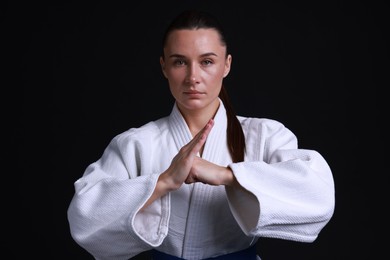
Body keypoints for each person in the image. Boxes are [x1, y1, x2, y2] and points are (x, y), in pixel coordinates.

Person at [67, 9, 335, 260]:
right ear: (163, 67)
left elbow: (318, 193)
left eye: (207, 61)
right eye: (179, 62)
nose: (192, 77)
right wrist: (163, 181)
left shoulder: (264, 135)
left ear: (226, 65)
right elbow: (83, 216)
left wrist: (226, 175)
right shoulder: (135, 144)